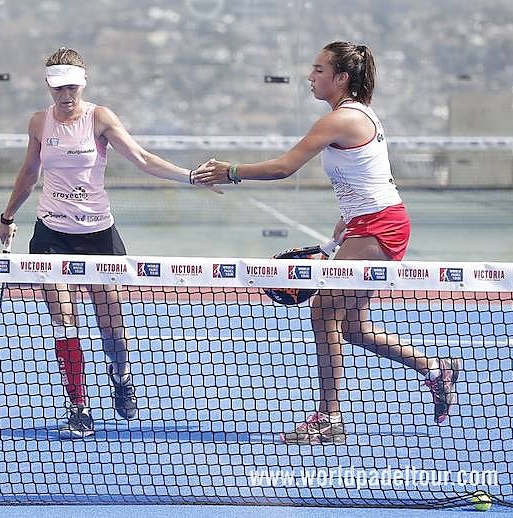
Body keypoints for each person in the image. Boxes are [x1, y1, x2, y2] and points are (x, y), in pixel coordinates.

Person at [192, 41, 461, 445]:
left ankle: (329, 418)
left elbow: (284, 167)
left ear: (342, 78)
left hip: (379, 228)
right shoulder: (354, 116)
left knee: (323, 312)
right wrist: (342, 229)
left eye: (319, 70)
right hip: (367, 223)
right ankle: (435, 369)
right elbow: (367, 179)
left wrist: (229, 171)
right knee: (350, 326)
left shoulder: (342, 120)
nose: (310, 77)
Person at [0, 47, 218, 439]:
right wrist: (7, 217)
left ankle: (121, 376)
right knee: (65, 323)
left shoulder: (100, 117)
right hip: (51, 234)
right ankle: (78, 406)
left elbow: (141, 157)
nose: (65, 94)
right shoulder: (38, 123)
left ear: (82, 83)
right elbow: (29, 174)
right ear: (48, 85)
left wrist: (189, 176)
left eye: (72, 86)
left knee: (112, 329)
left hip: (99, 235)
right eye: (58, 87)